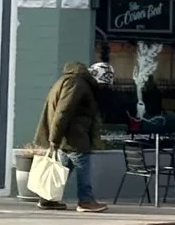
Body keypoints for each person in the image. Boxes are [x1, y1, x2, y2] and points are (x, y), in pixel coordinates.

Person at [33, 61, 114, 213]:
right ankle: (86, 201)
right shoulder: (77, 84)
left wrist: (56, 138)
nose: (102, 88)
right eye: (103, 84)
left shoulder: (70, 81)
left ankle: (48, 200)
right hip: (75, 137)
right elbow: (63, 111)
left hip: (67, 137)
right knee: (83, 169)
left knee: (63, 168)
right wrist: (54, 138)